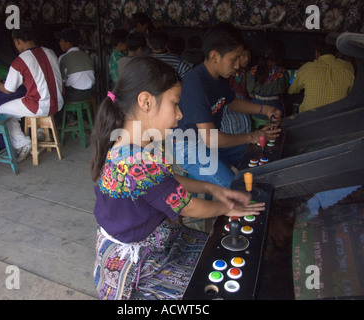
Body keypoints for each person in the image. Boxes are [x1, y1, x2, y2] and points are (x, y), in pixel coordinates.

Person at [90, 55, 265, 300]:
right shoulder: (134, 160)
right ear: (146, 102)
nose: (181, 114)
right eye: (175, 103)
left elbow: (169, 183)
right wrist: (227, 208)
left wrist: (211, 188)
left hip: (153, 237)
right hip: (137, 260)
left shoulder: (146, 146)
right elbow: (187, 205)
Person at [173, 24, 281, 188]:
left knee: (258, 149)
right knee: (234, 188)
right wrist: (252, 135)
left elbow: (233, 102)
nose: (237, 65)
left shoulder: (219, 78)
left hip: (209, 141)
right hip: (188, 147)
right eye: (234, 59)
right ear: (215, 56)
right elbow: (210, 138)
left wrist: (265, 109)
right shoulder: (196, 83)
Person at [0, 26, 63, 162]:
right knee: (26, 100)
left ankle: (22, 143)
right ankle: (40, 132)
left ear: (17, 41)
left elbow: (8, 89)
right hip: (58, 103)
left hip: (41, 106)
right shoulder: (50, 52)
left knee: (1, 110)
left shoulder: (20, 61)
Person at [288, 35, 355, 113]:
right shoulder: (348, 67)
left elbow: (291, 91)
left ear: (317, 53)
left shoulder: (306, 68)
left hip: (308, 119)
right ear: (338, 52)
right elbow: (351, 93)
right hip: (338, 118)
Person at [58, 28, 95, 125]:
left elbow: (61, 80)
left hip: (75, 95)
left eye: (61, 41)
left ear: (68, 43)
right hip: (90, 93)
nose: (60, 43)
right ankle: (82, 117)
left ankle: (70, 118)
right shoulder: (86, 55)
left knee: (59, 94)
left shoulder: (63, 58)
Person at [246, 38, 289, 122]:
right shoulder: (282, 72)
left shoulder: (253, 71)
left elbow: (250, 92)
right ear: (280, 57)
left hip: (255, 110)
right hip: (275, 111)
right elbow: (284, 90)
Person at [221, 42, 252, 134]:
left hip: (245, 104)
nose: (246, 59)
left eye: (248, 56)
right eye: (243, 56)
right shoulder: (228, 73)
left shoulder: (250, 72)